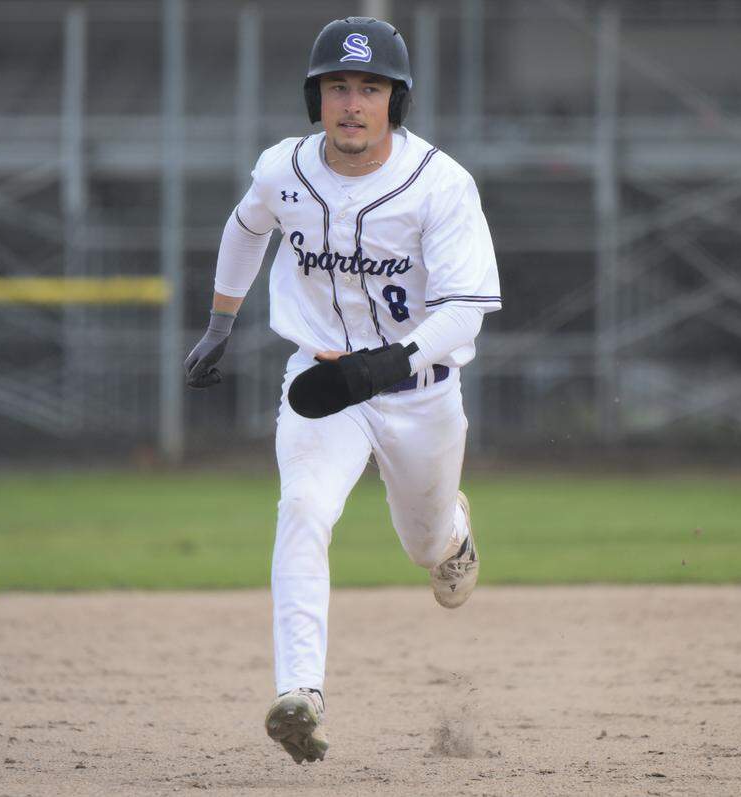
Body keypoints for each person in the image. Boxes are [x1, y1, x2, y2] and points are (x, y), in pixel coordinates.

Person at [182, 16, 501, 764]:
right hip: (322, 383)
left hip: (421, 391)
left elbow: (465, 309)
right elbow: (245, 225)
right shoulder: (283, 169)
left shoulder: (440, 183)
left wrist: (388, 364)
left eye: (369, 88)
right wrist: (220, 320)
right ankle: (301, 692)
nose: (352, 103)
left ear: (397, 101)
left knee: (423, 545)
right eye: (337, 87)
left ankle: (451, 532)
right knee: (302, 508)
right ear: (315, 98)